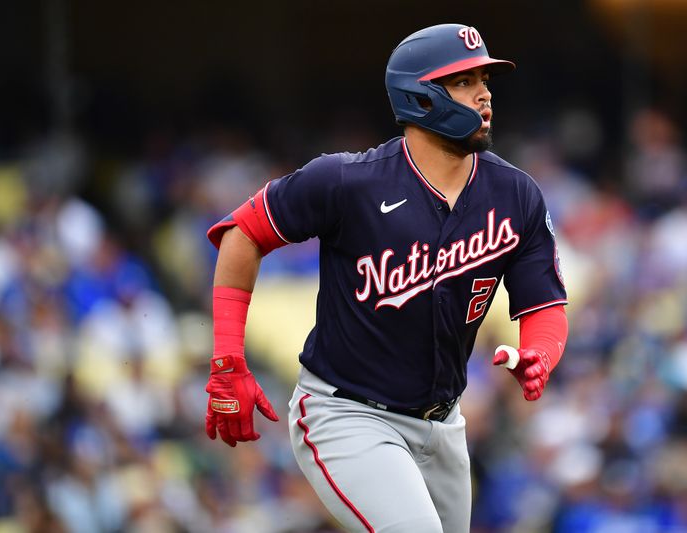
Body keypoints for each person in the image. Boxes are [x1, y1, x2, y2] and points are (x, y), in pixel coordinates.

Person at [203, 23, 569, 533]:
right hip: (348, 413)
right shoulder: (347, 181)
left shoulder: (516, 194)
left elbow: (543, 306)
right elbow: (242, 234)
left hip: (444, 424)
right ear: (420, 97)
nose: (484, 92)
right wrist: (228, 359)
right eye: (463, 80)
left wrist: (541, 352)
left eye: (484, 77)